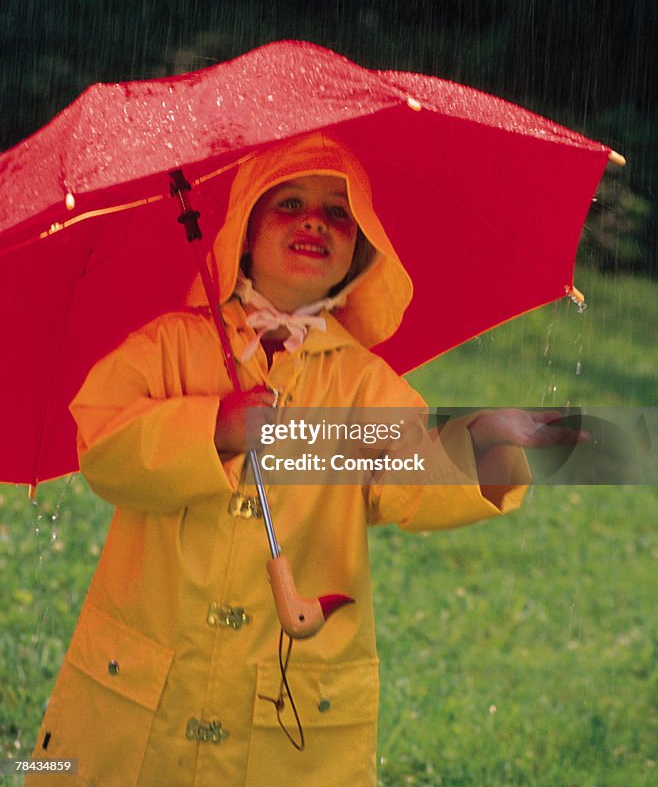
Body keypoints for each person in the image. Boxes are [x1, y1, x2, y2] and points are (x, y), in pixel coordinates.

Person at [28, 133, 573, 787]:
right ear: (245, 233)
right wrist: (214, 427)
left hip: (283, 710)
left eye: (339, 213)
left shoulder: (363, 386)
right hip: (145, 697)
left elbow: (413, 479)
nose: (315, 220)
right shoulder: (169, 347)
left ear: (361, 248)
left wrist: (484, 442)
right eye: (288, 203)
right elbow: (104, 445)